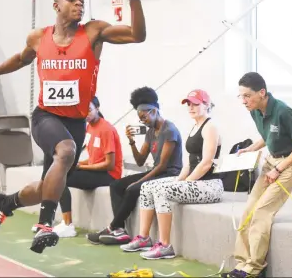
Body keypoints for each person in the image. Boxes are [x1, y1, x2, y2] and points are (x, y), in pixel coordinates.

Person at [0, 0, 146, 254]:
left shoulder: (93, 32)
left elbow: (137, 35)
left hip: (75, 122)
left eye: (82, 1)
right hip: (45, 117)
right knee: (65, 152)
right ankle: (44, 225)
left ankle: (7, 202)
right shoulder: (39, 37)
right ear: (56, 6)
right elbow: (20, 59)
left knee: (48, 184)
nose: (79, 5)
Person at [221, 72, 292, 278]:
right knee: (248, 211)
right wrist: (250, 149)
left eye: (247, 96)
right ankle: (242, 263)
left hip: (291, 163)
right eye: (240, 96)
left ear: (262, 92)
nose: (243, 101)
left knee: (261, 212)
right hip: (271, 161)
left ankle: (254, 267)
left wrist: (279, 169)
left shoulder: (284, 111)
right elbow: (267, 134)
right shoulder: (255, 110)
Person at [121, 89, 224, 259]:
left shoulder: (210, 127)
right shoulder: (195, 126)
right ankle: (144, 237)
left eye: (195, 104)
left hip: (210, 185)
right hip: (195, 180)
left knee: (163, 191)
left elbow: (206, 162)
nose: (191, 107)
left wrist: (186, 182)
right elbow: (190, 163)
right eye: (189, 104)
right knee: (147, 187)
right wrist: (178, 180)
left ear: (206, 105)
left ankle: (165, 245)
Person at [86, 86, 183, 245]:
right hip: (156, 171)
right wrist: (131, 141)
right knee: (116, 185)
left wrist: (139, 182)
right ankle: (119, 230)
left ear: (153, 111)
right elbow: (140, 160)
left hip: (169, 173)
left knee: (132, 189)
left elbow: (163, 166)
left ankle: (113, 227)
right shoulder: (151, 131)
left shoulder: (169, 130)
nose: (142, 121)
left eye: (144, 117)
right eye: (140, 118)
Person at [51, 96, 123, 238]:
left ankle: (68, 225)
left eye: (89, 110)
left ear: (97, 108)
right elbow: (94, 158)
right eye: (83, 111)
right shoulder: (89, 127)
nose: (86, 113)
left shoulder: (106, 129)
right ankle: (65, 223)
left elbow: (109, 164)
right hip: (95, 170)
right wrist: (78, 164)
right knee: (58, 173)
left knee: (60, 179)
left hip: (109, 175)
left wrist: (82, 168)